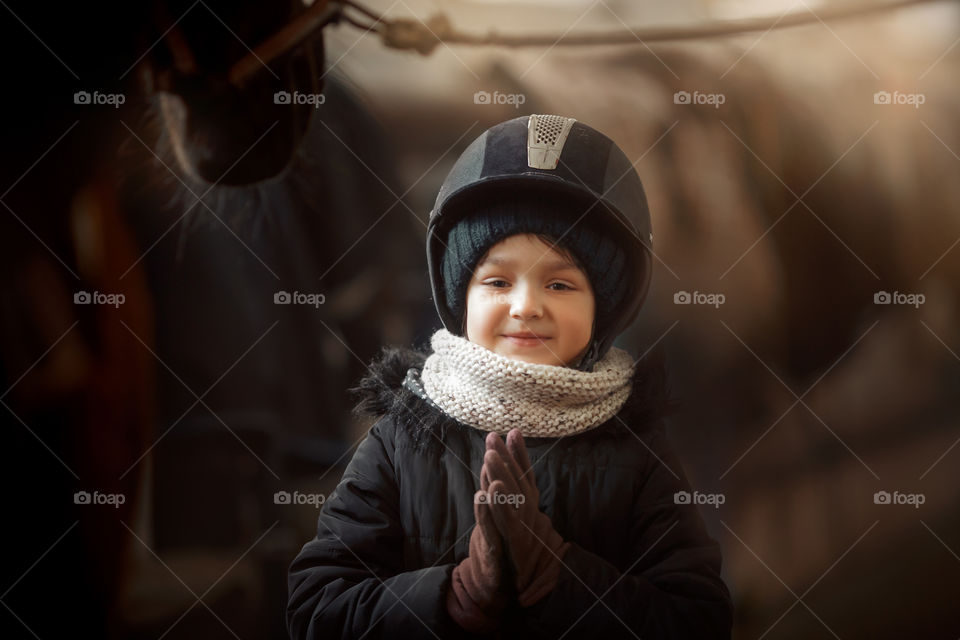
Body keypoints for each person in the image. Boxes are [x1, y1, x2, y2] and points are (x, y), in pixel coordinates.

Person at [287, 114, 733, 638]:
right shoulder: (400, 440)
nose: (526, 306)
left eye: (561, 285)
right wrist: (454, 594)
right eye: (497, 280)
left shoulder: (638, 452)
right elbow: (315, 609)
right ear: (460, 298)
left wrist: (560, 576)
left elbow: (699, 620)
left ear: (606, 309)